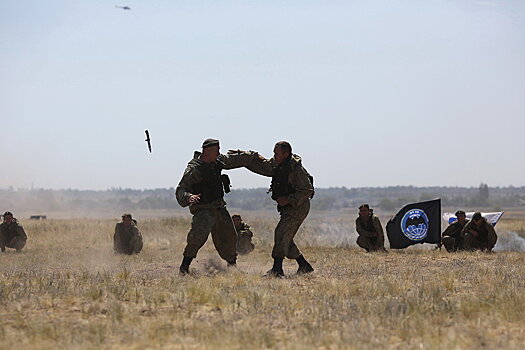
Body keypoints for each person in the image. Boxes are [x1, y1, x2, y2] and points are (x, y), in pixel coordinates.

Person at [228, 141, 314, 277]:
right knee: (286, 237)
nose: (274, 156)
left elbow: (307, 190)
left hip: (298, 207)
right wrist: (246, 156)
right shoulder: (279, 164)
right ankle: (304, 265)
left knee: (280, 233)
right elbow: (263, 165)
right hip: (288, 208)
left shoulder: (296, 170)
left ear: (286, 154)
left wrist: (288, 199)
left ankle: (277, 270)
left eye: (277, 153)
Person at [176, 138, 257, 275]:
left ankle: (232, 268)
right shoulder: (195, 168)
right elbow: (181, 188)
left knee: (229, 236)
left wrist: (252, 155)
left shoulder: (217, 162)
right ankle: (184, 267)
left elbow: (234, 160)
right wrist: (188, 197)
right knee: (197, 236)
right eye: (217, 150)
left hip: (219, 207)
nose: (219, 152)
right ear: (207, 151)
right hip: (203, 209)